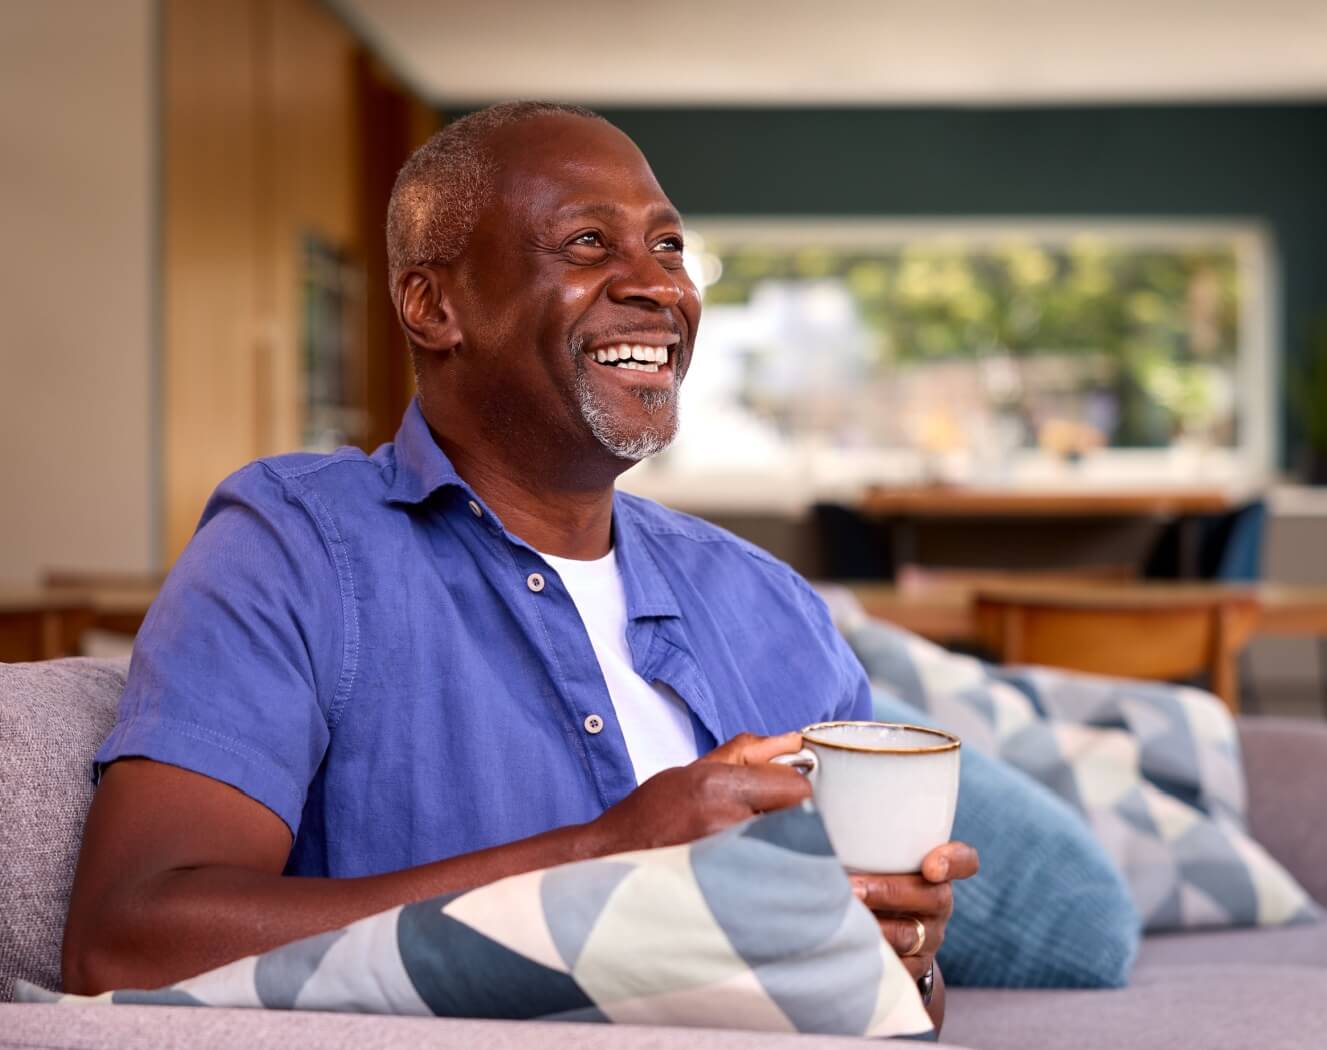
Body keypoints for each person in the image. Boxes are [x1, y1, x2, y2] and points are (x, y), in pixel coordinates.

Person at [60, 101, 977, 1025]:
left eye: (668, 247)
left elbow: (897, 1004)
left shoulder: (772, 608)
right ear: (434, 307)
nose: (657, 286)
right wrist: (600, 855)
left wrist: (906, 950)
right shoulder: (295, 548)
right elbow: (125, 938)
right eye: (586, 242)